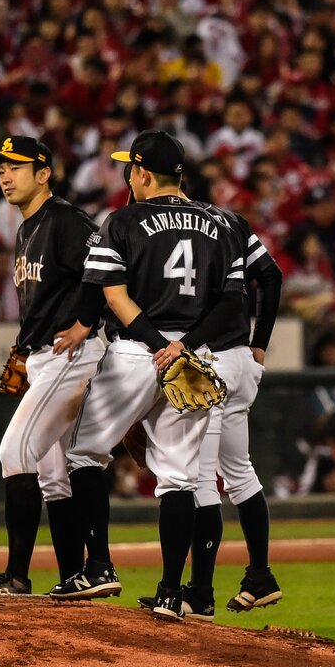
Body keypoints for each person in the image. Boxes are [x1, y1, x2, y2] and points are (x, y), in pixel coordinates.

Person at [61, 129, 243, 618]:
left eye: (130, 169)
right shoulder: (220, 222)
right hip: (193, 355)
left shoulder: (122, 220)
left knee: (82, 452)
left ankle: (98, 564)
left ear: (142, 173)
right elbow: (232, 302)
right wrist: (184, 347)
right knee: (180, 480)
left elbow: (113, 296)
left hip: (139, 353)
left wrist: (160, 345)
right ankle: (169, 592)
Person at [136, 194, 284, 617]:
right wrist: (260, 344)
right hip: (240, 359)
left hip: (209, 359)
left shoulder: (167, 225)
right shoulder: (230, 221)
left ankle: (199, 592)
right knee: (239, 471)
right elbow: (270, 276)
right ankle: (259, 575)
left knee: (200, 481)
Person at [0, 135, 105, 598]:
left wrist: (87, 323)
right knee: (54, 474)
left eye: (16, 166)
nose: (5, 175)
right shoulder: (27, 227)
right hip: (45, 356)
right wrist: (24, 349)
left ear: (44, 173)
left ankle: (16, 576)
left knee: (14, 452)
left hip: (70, 355)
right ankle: (76, 577)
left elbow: (105, 270)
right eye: (1, 167)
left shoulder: (66, 220)